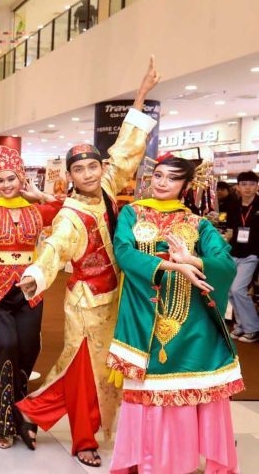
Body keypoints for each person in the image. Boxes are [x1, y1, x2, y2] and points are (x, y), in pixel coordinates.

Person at [15, 58, 160, 467]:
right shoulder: (69, 214)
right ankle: (84, 442)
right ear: (71, 177)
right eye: (79, 169)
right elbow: (54, 249)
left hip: (116, 298)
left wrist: (141, 95)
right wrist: (35, 276)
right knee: (86, 373)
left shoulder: (111, 189)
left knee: (90, 369)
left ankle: (29, 411)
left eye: (92, 166)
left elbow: (127, 152)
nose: (88, 173)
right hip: (84, 303)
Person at [107, 154, 242, 473]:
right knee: (148, 394)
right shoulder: (132, 213)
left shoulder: (198, 224)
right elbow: (124, 253)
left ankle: (180, 463)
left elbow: (225, 264)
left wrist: (194, 261)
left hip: (192, 324)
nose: (162, 182)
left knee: (187, 393)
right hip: (144, 318)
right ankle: (147, 463)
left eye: (171, 177)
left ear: (185, 185)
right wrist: (172, 264)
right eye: (157, 175)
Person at [0, 144, 62, 449]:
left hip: (29, 289)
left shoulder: (38, 210)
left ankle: (22, 413)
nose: (7, 184)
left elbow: (63, 208)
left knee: (28, 347)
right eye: (1, 180)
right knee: (5, 346)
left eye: (12, 178)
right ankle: (3, 421)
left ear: (22, 178)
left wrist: (41, 195)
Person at [226, 170, 259, 342]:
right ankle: (241, 326)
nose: (248, 188)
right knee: (230, 291)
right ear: (238, 186)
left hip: (252, 254)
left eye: (252, 184)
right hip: (234, 253)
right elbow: (231, 231)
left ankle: (252, 328)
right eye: (244, 184)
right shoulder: (233, 205)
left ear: (257, 186)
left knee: (237, 289)